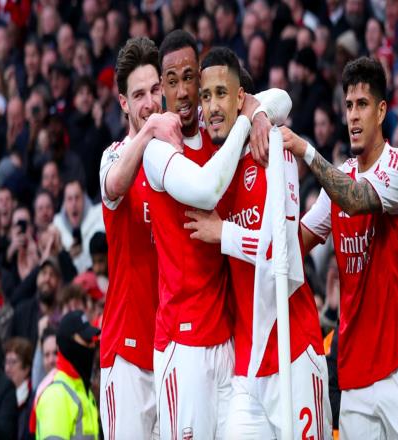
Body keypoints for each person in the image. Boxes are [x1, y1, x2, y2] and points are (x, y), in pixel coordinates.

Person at [143, 32, 290, 439]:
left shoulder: (217, 131)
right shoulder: (157, 150)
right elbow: (207, 189)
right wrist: (248, 119)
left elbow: (282, 99)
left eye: (189, 78)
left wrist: (257, 114)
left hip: (227, 343)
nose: (182, 92)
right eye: (171, 81)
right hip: (182, 345)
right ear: (161, 87)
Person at [184, 47, 332, 439]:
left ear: (241, 100)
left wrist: (224, 234)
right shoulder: (213, 170)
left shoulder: (273, 151)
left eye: (222, 94)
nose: (212, 106)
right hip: (246, 368)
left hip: (293, 352)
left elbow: (282, 253)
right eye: (206, 96)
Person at [282, 56, 398, 439]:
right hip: (354, 373)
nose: (352, 115)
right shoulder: (340, 177)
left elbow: (356, 198)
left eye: (362, 104)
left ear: (381, 111)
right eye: (348, 105)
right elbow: (295, 243)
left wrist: (307, 152)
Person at [98, 36, 182, 440]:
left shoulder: (181, 159)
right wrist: (149, 131)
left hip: (175, 348)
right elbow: (114, 185)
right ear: (123, 103)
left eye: (154, 90)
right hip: (127, 353)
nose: (149, 103)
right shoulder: (114, 155)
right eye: (138, 95)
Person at [34, 310, 100, 440]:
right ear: (68, 344)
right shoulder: (56, 396)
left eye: (93, 341)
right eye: (87, 340)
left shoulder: (85, 392)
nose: (92, 346)